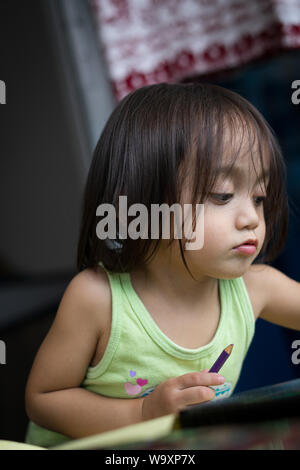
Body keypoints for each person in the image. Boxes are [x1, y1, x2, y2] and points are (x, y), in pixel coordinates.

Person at [25, 83, 300, 448]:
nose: (251, 217)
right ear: (145, 202)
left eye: (259, 197)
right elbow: (43, 400)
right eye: (222, 194)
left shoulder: (256, 287)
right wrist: (142, 414)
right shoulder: (98, 299)